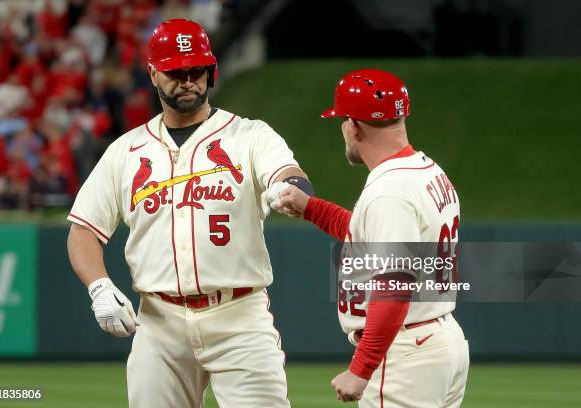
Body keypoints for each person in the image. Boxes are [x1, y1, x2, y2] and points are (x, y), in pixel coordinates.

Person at [66, 18, 313, 408]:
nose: (187, 80)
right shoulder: (126, 151)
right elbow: (83, 230)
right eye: (175, 72)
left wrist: (288, 188)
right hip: (159, 323)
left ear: (210, 71)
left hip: (239, 317)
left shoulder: (250, 136)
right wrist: (99, 287)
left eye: (196, 70)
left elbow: (288, 173)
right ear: (153, 74)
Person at [274, 69, 469, 407]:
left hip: (406, 352)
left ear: (352, 125)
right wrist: (311, 208)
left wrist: (361, 370)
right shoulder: (426, 170)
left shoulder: (388, 192)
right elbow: (373, 236)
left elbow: (394, 286)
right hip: (438, 340)